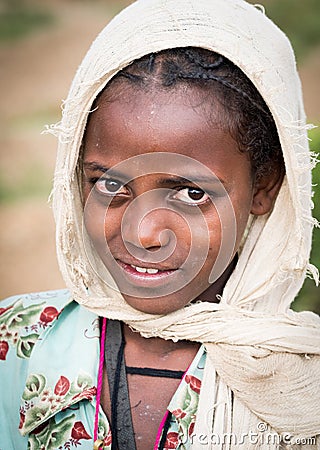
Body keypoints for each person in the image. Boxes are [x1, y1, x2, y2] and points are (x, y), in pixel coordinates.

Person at [1, 0, 320, 449]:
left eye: (191, 193)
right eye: (110, 185)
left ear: (263, 186)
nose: (143, 234)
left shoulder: (303, 385)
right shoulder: (18, 344)